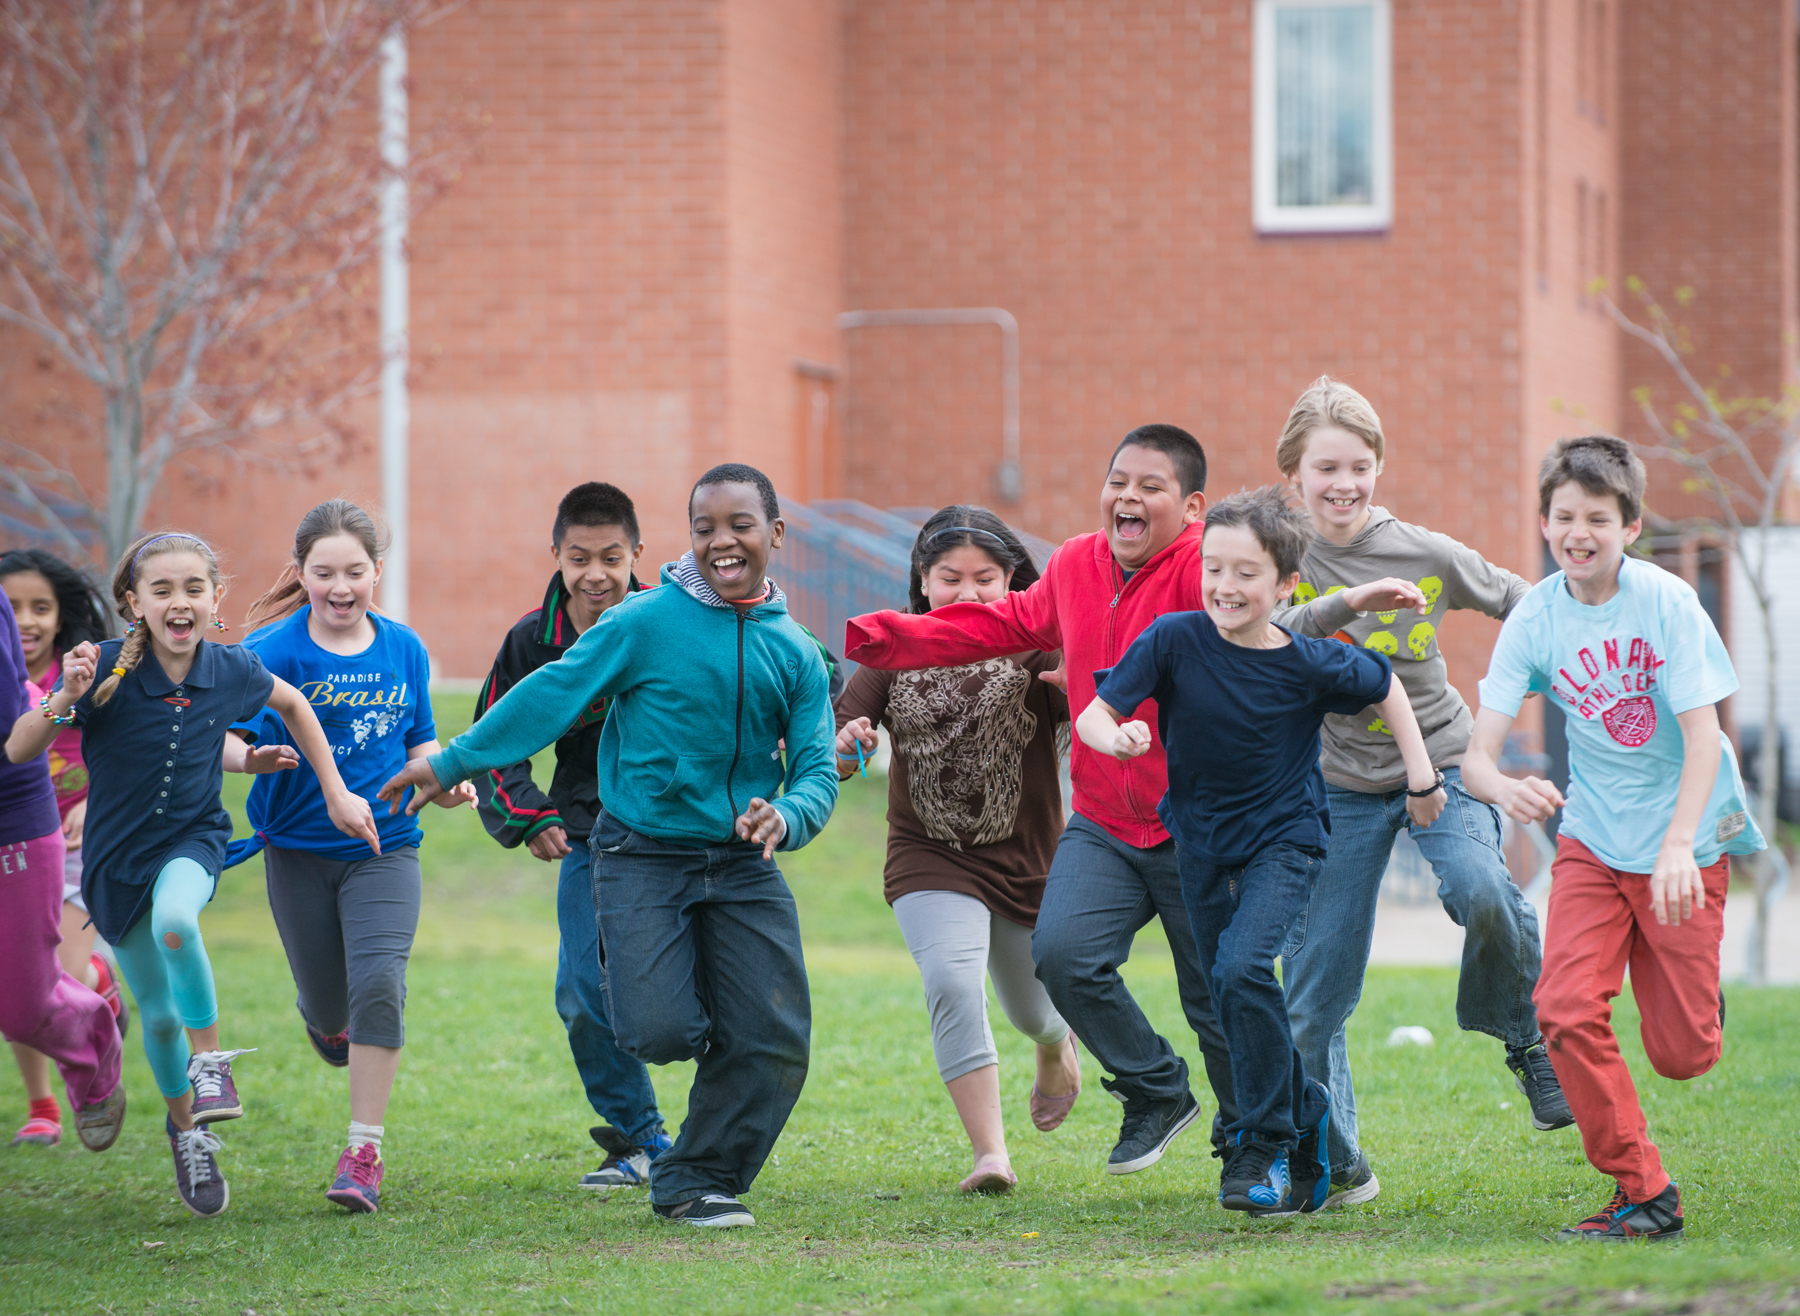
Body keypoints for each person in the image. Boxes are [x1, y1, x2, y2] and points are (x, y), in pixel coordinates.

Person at [381, 463, 838, 1229]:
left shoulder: (793, 651)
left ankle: (694, 1176)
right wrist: (452, 760)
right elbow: (549, 694)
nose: (722, 543)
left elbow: (819, 770)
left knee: (777, 1036)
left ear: (776, 535)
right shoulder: (644, 621)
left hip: (741, 862)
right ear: (688, 539)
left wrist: (789, 814)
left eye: (740, 526)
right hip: (642, 853)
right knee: (659, 1030)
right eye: (705, 529)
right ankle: (695, 1069)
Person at [846, 426, 1239, 1179]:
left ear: (1191, 507)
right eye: (1117, 480)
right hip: (1020, 838)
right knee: (1017, 968)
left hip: (1144, 831)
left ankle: (1254, 1136)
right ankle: (1072, 1122)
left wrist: (1086, 689)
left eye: (1150, 486)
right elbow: (989, 631)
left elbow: (1234, 640)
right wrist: (876, 659)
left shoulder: (1175, 580)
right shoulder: (1069, 571)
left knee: (1202, 995)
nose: (1127, 497)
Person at [1077, 486, 1446, 1215]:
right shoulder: (1173, 641)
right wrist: (1114, 736)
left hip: (1286, 840)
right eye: (1215, 568)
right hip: (1201, 842)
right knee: (1225, 991)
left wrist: (1422, 775)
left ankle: (1261, 1142)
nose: (1224, 585)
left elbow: (1385, 686)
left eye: (1245, 573)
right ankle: (1308, 1125)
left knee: (1244, 968)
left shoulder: (1309, 661)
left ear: (1285, 586)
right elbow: (1096, 711)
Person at [6, 531, 380, 1219]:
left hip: (192, 841)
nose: (180, 602)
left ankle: (213, 1067)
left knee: (180, 919)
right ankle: (185, 1130)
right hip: (116, 864)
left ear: (215, 600)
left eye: (193, 589)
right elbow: (19, 744)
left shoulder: (231, 669)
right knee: (157, 1014)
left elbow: (292, 706)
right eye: (162, 590)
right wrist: (67, 693)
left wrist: (331, 789)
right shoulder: (105, 670)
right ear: (133, 602)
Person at [1270, 377, 1573, 1208]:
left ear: (1378, 468)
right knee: (1312, 997)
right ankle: (1331, 1163)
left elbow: (1527, 600)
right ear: (1293, 471)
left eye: (1360, 466)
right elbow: (1257, 633)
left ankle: (1524, 1038)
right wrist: (1345, 603)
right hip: (1335, 788)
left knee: (1480, 888)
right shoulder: (1280, 558)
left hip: (1443, 759)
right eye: (1326, 467)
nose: (1344, 484)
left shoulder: (1424, 553)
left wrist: (1575, 651)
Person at [1461, 435, 1765, 1243]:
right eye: (1564, 517)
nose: (1577, 532)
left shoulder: (1665, 602)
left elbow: (1705, 739)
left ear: (1630, 526)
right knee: (1561, 1009)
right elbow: (1475, 757)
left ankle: (1698, 1010)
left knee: (1683, 1056)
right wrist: (1503, 786)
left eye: (1597, 517)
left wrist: (1675, 846)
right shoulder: (1536, 617)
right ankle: (1644, 1189)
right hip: (1594, 837)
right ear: (1544, 522)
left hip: (1684, 841)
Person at [223, 500, 475, 1215]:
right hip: (297, 853)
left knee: (379, 983)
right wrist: (251, 760)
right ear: (300, 574)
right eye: (324, 572)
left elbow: (420, 737)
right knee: (333, 1004)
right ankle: (325, 1019)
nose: (340, 587)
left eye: (355, 573)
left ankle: (364, 1150)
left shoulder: (404, 648)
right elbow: (221, 736)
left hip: (386, 848)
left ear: (377, 573)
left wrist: (445, 780)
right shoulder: (272, 653)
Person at [835, 506, 1079, 1195]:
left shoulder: (1042, 647)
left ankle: (1056, 1042)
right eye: (950, 578)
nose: (967, 594)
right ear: (922, 578)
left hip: (1028, 857)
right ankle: (991, 1156)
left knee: (1033, 1009)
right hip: (928, 852)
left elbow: (1105, 711)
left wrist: (1085, 689)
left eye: (985, 579)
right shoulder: (895, 645)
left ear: (1012, 582)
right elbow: (842, 737)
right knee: (950, 980)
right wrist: (848, 744)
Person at [471, 482, 671, 1188]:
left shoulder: (672, 621)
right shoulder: (532, 640)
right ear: (556, 554)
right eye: (579, 556)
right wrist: (531, 815)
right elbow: (493, 741)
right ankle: (643, 1137)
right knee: (585, 991)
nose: (595, 574)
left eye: (611, 557)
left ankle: (716, 1135)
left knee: (698, 991)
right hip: (589, 836)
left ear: (636, 555)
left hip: (681, 834)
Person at [2, 550, 129, 1147]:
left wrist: (88, 800)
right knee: (17, 981)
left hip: (75, 844)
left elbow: (122, 749)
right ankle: (41, 1103)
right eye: (15, 607)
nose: (25, 620)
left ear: (61, 616)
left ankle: (96, 976)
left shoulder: (84, 673)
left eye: (40, 607)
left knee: (53, 976)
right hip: (26, 839)